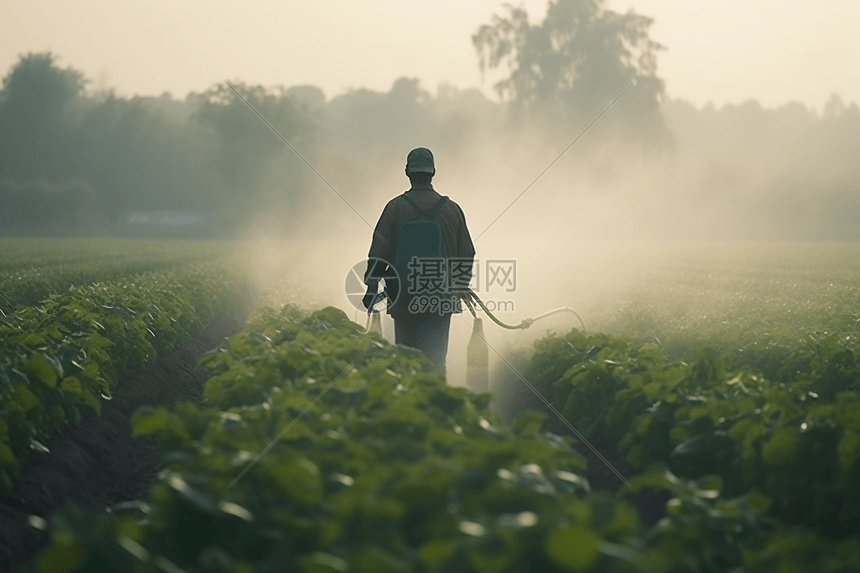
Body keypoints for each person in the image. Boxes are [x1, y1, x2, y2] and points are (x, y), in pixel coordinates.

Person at [363, 147, 475, 375]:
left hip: (404, 298)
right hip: (440, 299)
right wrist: (460, 286)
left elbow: (378, 255)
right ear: (432, 172)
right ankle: (435, 404)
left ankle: (408, 404)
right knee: (434, 361)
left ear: (407, 172)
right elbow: (467, 253)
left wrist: (371, 288)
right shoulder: (452, 210)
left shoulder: (395, 208)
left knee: (405, 360)